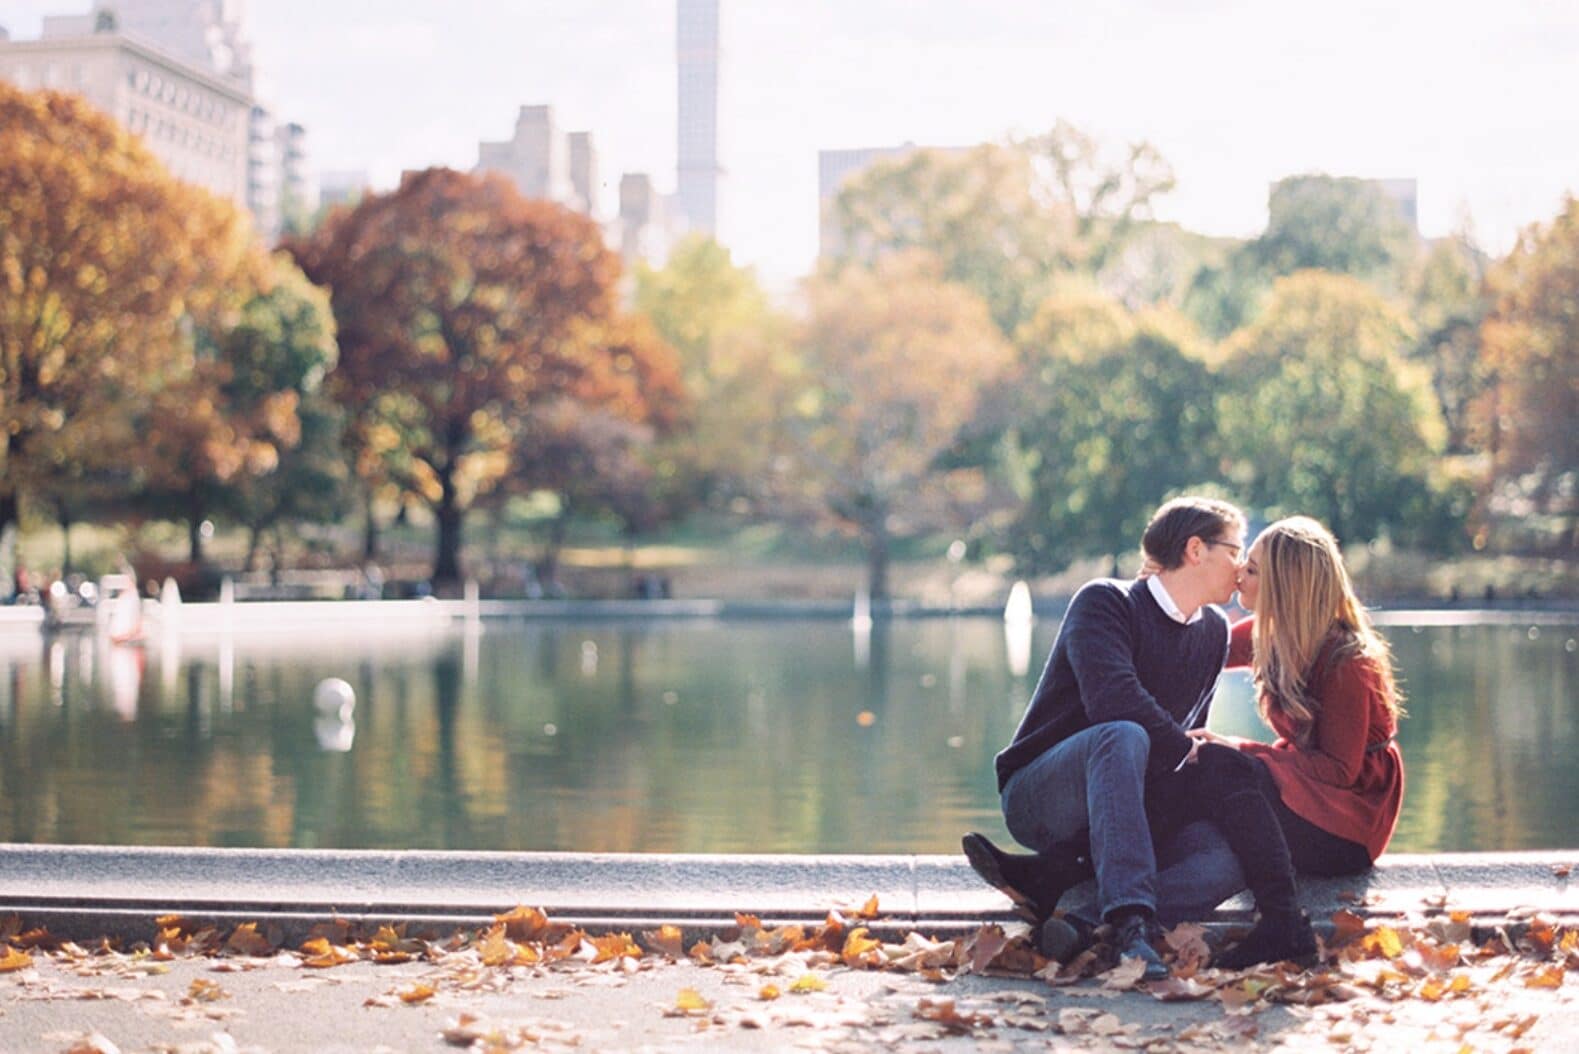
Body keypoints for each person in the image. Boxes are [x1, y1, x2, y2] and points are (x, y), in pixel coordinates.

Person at [962, 496, 1246, 979]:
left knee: (1229, 852)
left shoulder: (1214, 631)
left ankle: (1079, 913)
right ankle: (1132, 926)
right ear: (1196, 549)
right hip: (1044, 797)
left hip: (1122, 810)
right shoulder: (1105, 602)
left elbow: (1181, 745)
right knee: (1122, 735)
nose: (1241, 567)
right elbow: (1115, 702)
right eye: (1236, 550)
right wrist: (1185, 749)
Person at [1188, 516, 1406, 906]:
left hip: (1348, 822)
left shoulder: (1348, 661)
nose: (1239, 575)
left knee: (1220, 762)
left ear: (1283, 587)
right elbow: (1197, 649)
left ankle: (1280, 918)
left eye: (1251, 570)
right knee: (1193, 771)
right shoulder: (1273, 636)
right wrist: (1175, 586)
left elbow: (1340, 771)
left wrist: (1242, 749)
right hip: (1306, 794)